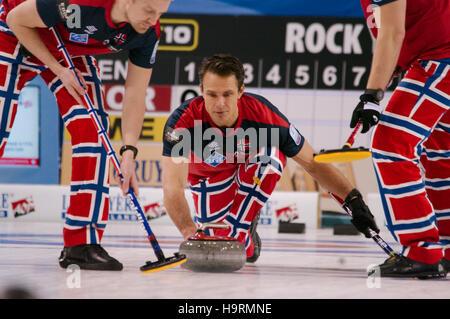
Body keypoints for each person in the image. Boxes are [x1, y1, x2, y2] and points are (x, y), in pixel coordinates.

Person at [0, 0, 173, 270]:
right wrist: (57, 70)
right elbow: (15, 18)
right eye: (149, 10)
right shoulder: (83, 2)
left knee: (94, 134)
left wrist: (129, 153)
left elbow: (136, 96)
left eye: (161, 13)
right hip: (15, 31)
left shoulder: (148, 32)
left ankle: (81, 245)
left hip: (66, 47)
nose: (154, 20)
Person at [162, 54, 380, 262]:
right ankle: (244, 234)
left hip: (249, 175)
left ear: (240, 91)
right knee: (228, 246)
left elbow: (313, 163)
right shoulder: (181, 123)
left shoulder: (265, 116)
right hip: (208, 182)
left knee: (271, 156)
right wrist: (191, 234)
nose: (220, 104)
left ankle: (239, 229)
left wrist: (353, 200)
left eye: (227, 94)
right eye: (212, 95)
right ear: (201, 91)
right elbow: (172, 187)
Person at [352, 0, 449, 278]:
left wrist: (371, 96)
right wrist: (397, 64)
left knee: (391, 145)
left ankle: (422, 251)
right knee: (440, 155)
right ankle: (444, 249)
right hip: (434, 58)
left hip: (440, 60)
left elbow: (392, 33)